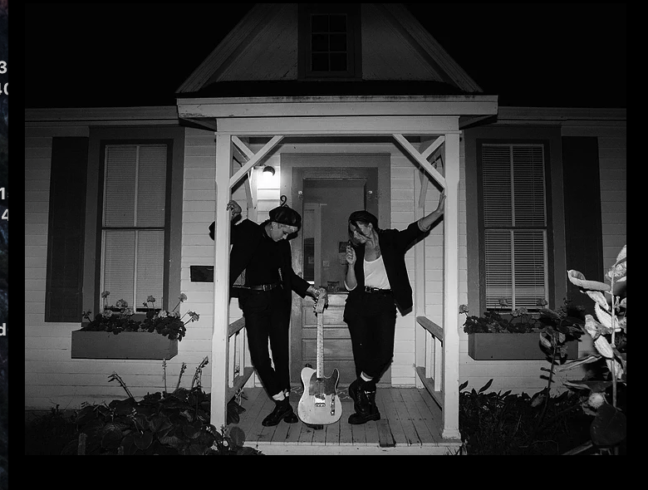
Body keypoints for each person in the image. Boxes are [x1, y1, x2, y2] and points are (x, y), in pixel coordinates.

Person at [209, 200, 325, 426]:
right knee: (260, 357)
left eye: (290, 234)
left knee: (281, 355)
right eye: (284, 231)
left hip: (278, 302)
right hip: (254, 302)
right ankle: (281, 403)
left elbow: (288, 276)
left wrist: (311, 290)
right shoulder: (247, 230)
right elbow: (217, 232)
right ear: (273, 223)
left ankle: (286, 406)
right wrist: (233, 216)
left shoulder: (282, 245)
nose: (285, 237)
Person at [343, 192, 445, 424]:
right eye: (352, 231)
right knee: (363, 358)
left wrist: (438, 213)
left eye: (359, 230)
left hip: (384, 304)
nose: (355, 235)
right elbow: (350, 286)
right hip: (359, 305)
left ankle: (358, 387)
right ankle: (367, 409)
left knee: (384, 354)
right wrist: (350, 265)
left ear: (370, 226)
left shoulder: (390, 241)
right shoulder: (356, 250)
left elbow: (415, 229)